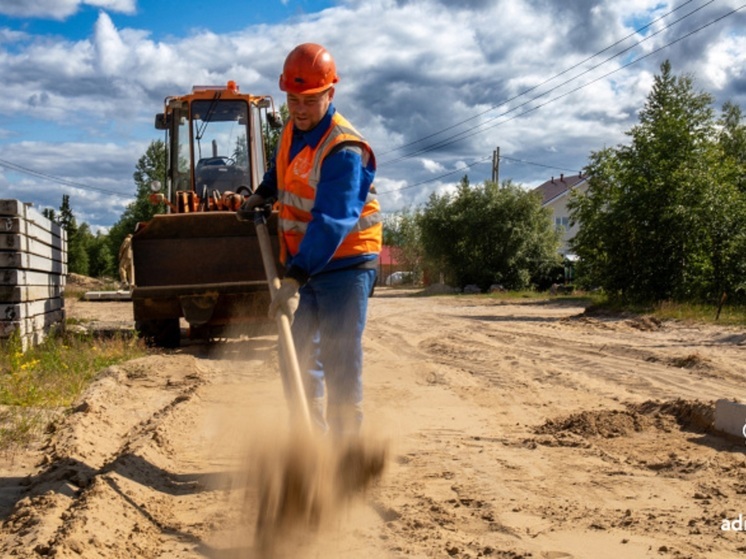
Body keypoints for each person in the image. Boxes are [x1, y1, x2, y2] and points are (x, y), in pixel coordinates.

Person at [241, 43, 382, 438]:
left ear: (330, 94)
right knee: (294, 355)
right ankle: (310, 444)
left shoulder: (344, 149)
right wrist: (263, 192)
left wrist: (294, 278)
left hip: (347, 263)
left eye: (309, 100)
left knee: (340, 358)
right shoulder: (291, 129)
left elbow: (331, 220)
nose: (299, 109)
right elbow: (282, 169)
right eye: (292, 100)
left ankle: (346, 455)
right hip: (307, 264)